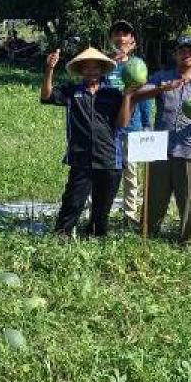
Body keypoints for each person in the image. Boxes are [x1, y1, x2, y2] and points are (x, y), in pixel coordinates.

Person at [133, 35, 191, 246]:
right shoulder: (161, 77)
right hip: (160, 148)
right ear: (175, 54)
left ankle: (188, 241)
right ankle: (148, 237)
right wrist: (161, 88)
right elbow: (137, 94)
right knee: (154, 197)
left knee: (190, 200)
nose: (186, 54)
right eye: (182, 50)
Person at [41, 46, 134, 238]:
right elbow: (46, 96)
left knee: (102, 208)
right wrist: (50, 69)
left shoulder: (113, 94)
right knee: (73, 202)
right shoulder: (71, 91)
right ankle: (61, 237)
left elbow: (122, 123)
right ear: (81, 70)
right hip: (81, 159)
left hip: (109, 159)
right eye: (87, 68)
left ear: (101, 70)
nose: (91, 72)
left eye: (95, 68)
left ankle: (95, 238)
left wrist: (127, 96)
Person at [105, 20, 154, 226]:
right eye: (117, 34)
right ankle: (100, 212)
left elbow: (144, 95)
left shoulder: (138, 66)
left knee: (130, 173)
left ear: (132, 39)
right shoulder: (104, 64)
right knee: (105, 171)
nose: (121, 38)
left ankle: (130, 215)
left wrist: (146, 123)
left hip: (131, 127)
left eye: (125, 34)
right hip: (106, 127)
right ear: (111, 39)